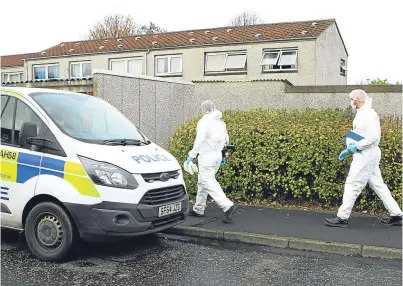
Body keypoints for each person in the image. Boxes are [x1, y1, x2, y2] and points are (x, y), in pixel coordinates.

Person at [325, 89, 402, 227]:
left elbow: (373, 137)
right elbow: (359, 133)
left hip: (366, 154)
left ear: (358, 99)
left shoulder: (368, 114)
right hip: (367, 153)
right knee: (378, 185)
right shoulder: (362, 114)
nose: (351, 101)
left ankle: (342, 217)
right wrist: (349, 145)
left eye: (352, 99)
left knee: (352, 184)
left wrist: (357, 147)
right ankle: (397, 214)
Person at [186, 100, 237, 223]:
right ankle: (198, 208)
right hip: (217, 156)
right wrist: (224, 154)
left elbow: (199, 140)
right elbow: (226, 139)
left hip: (207, 156)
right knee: (202, 181)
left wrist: (191, 156)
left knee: (207, 181)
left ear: (204, 110)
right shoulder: (220, 122)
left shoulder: (204, 122)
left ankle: (227, 206)